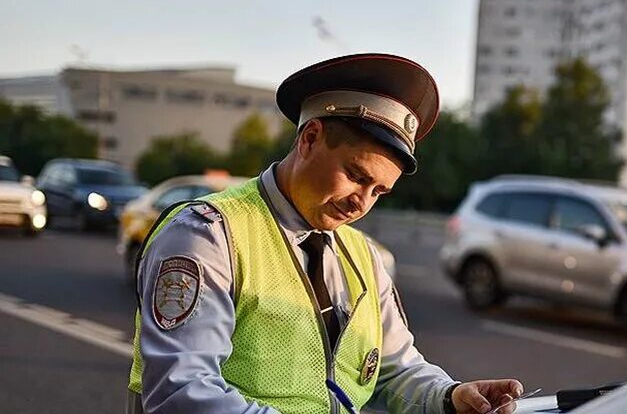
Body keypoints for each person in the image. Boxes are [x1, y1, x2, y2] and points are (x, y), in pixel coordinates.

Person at [126, 53, 524, 414]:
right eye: (355, 176)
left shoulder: (363, 255)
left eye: (379, 192)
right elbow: (182, 392)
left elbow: (395, 369)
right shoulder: (207, 235)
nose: (361, 204)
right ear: (310, 138)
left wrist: (449, 397)